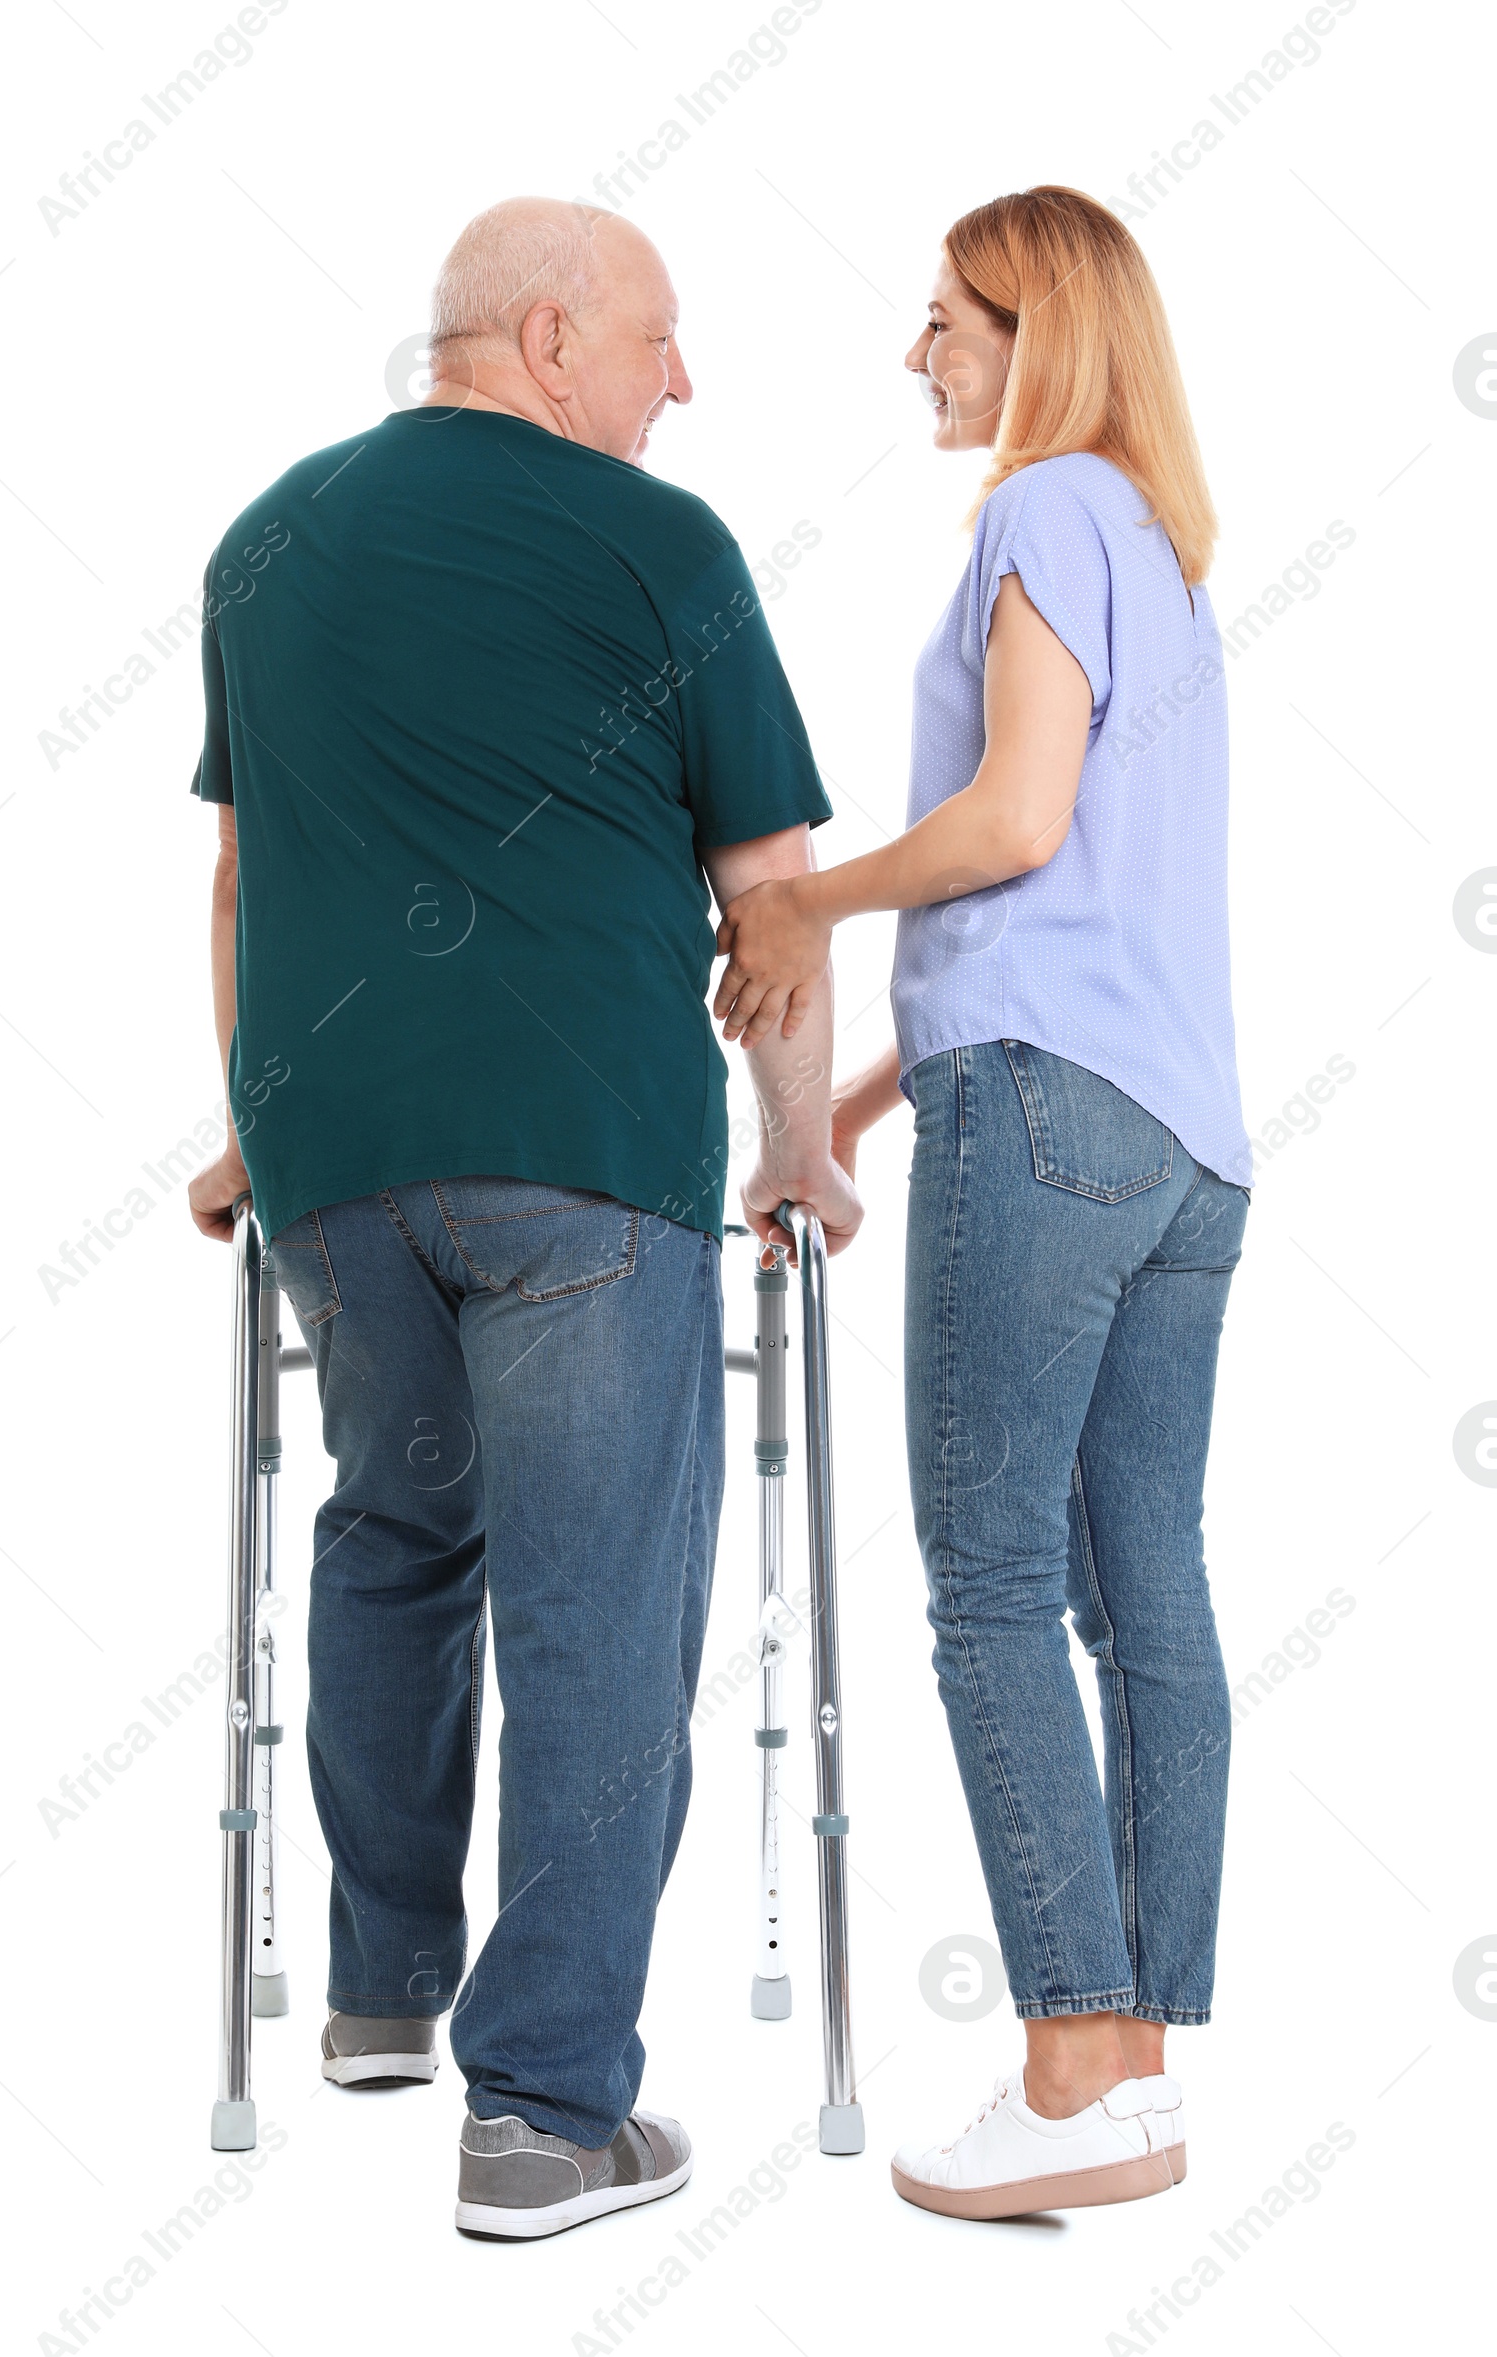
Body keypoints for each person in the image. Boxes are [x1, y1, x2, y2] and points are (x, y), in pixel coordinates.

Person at [185, 196, 859, 2240]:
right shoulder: (663, 547)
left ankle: (383, 1994)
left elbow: (239, 883)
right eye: (660, 338)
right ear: (548, 337)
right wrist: (801, 1144)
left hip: (340, 1170)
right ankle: (546, 2111)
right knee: (597, 1605)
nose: (686, 378)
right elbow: (774, 894)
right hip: (578, 1149)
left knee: (394, 1541)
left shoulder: (266, 543)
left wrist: (252, 1126)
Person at [712, 186, 1251, 2219]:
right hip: (1177, 1148)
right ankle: (1127, 2067)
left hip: (1043, 1124)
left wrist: (800, 897)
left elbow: (1009, 828)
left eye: (947, 318)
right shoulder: (1163, 558)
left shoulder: (1038, 518)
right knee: (1145, 1594)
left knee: (994, 1586)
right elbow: (1074, 903)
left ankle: (1057, 2061)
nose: (916, 352)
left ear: (1038, 335)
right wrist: (846, 1108)